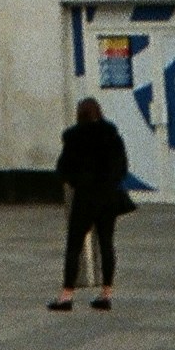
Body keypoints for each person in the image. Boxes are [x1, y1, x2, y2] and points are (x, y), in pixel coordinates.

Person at [49, 96, 134, 311]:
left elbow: (63, 169)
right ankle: (106, 293)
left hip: (85, 198)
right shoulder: (111, 134)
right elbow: (122, 167)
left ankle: (66, 295)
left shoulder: (73, 136)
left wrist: (78, 182)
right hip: (108, 197)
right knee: (106, 243)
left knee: (74, 245)